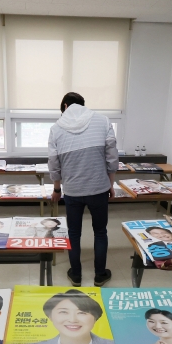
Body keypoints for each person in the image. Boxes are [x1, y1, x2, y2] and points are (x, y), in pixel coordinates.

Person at [48, 92, 119, 287]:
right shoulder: (103, 121)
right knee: (100, 232)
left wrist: (56, 189)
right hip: (99, 188)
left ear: (64, 106)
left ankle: (76, 275)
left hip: (72, 190)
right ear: (83, 104)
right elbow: (112, 158)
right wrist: (110, 184)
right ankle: (100, 275)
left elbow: (54, 163)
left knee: (73, 233)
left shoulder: (56, 128)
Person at [22, 289, 116, 344]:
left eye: (82, 312)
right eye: (63, 312)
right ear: (50, 316)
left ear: (95, 318)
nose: (72, 320)